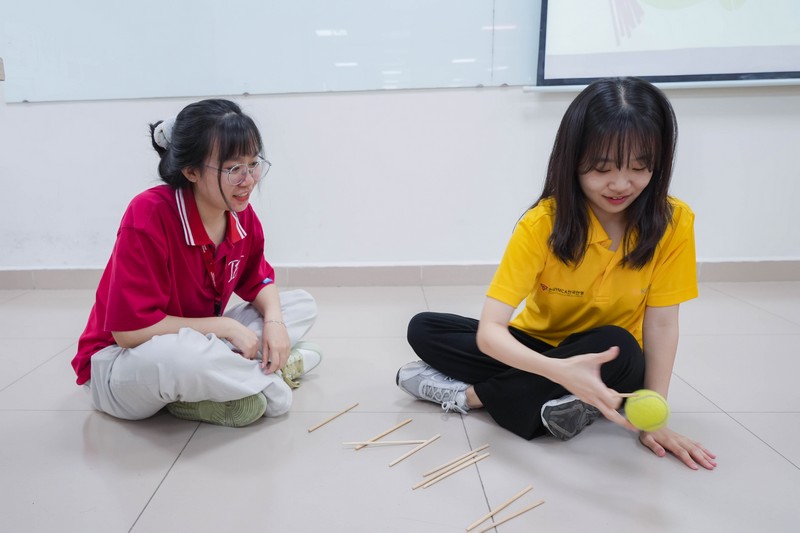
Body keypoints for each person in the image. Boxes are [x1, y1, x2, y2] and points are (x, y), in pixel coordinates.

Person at [397, 77, 716, 470]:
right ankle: (566, 396)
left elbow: (663, 324)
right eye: (602, 168)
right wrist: (559, 369)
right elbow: (491, 330)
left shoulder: (673, 222)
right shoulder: (542, 223)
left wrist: (655, 416)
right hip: (538, 347)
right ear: (573, 160)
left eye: (639, 167)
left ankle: (473, 397)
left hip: (610, 358)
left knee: (620, 345)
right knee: (425, 328)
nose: (620, 184)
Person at [71, 99, 321, 427]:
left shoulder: (239, 214)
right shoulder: (148, 214)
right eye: (233, 169)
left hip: (198, 337)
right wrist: (227, 328)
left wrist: (274, 323)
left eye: (253, 164)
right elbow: (129, 333)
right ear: (191, 172)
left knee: (300, 304)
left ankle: (228, 380)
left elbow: (259, 280)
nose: (248, 180)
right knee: (184, 358)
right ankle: (267, 375)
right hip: (122, 362)